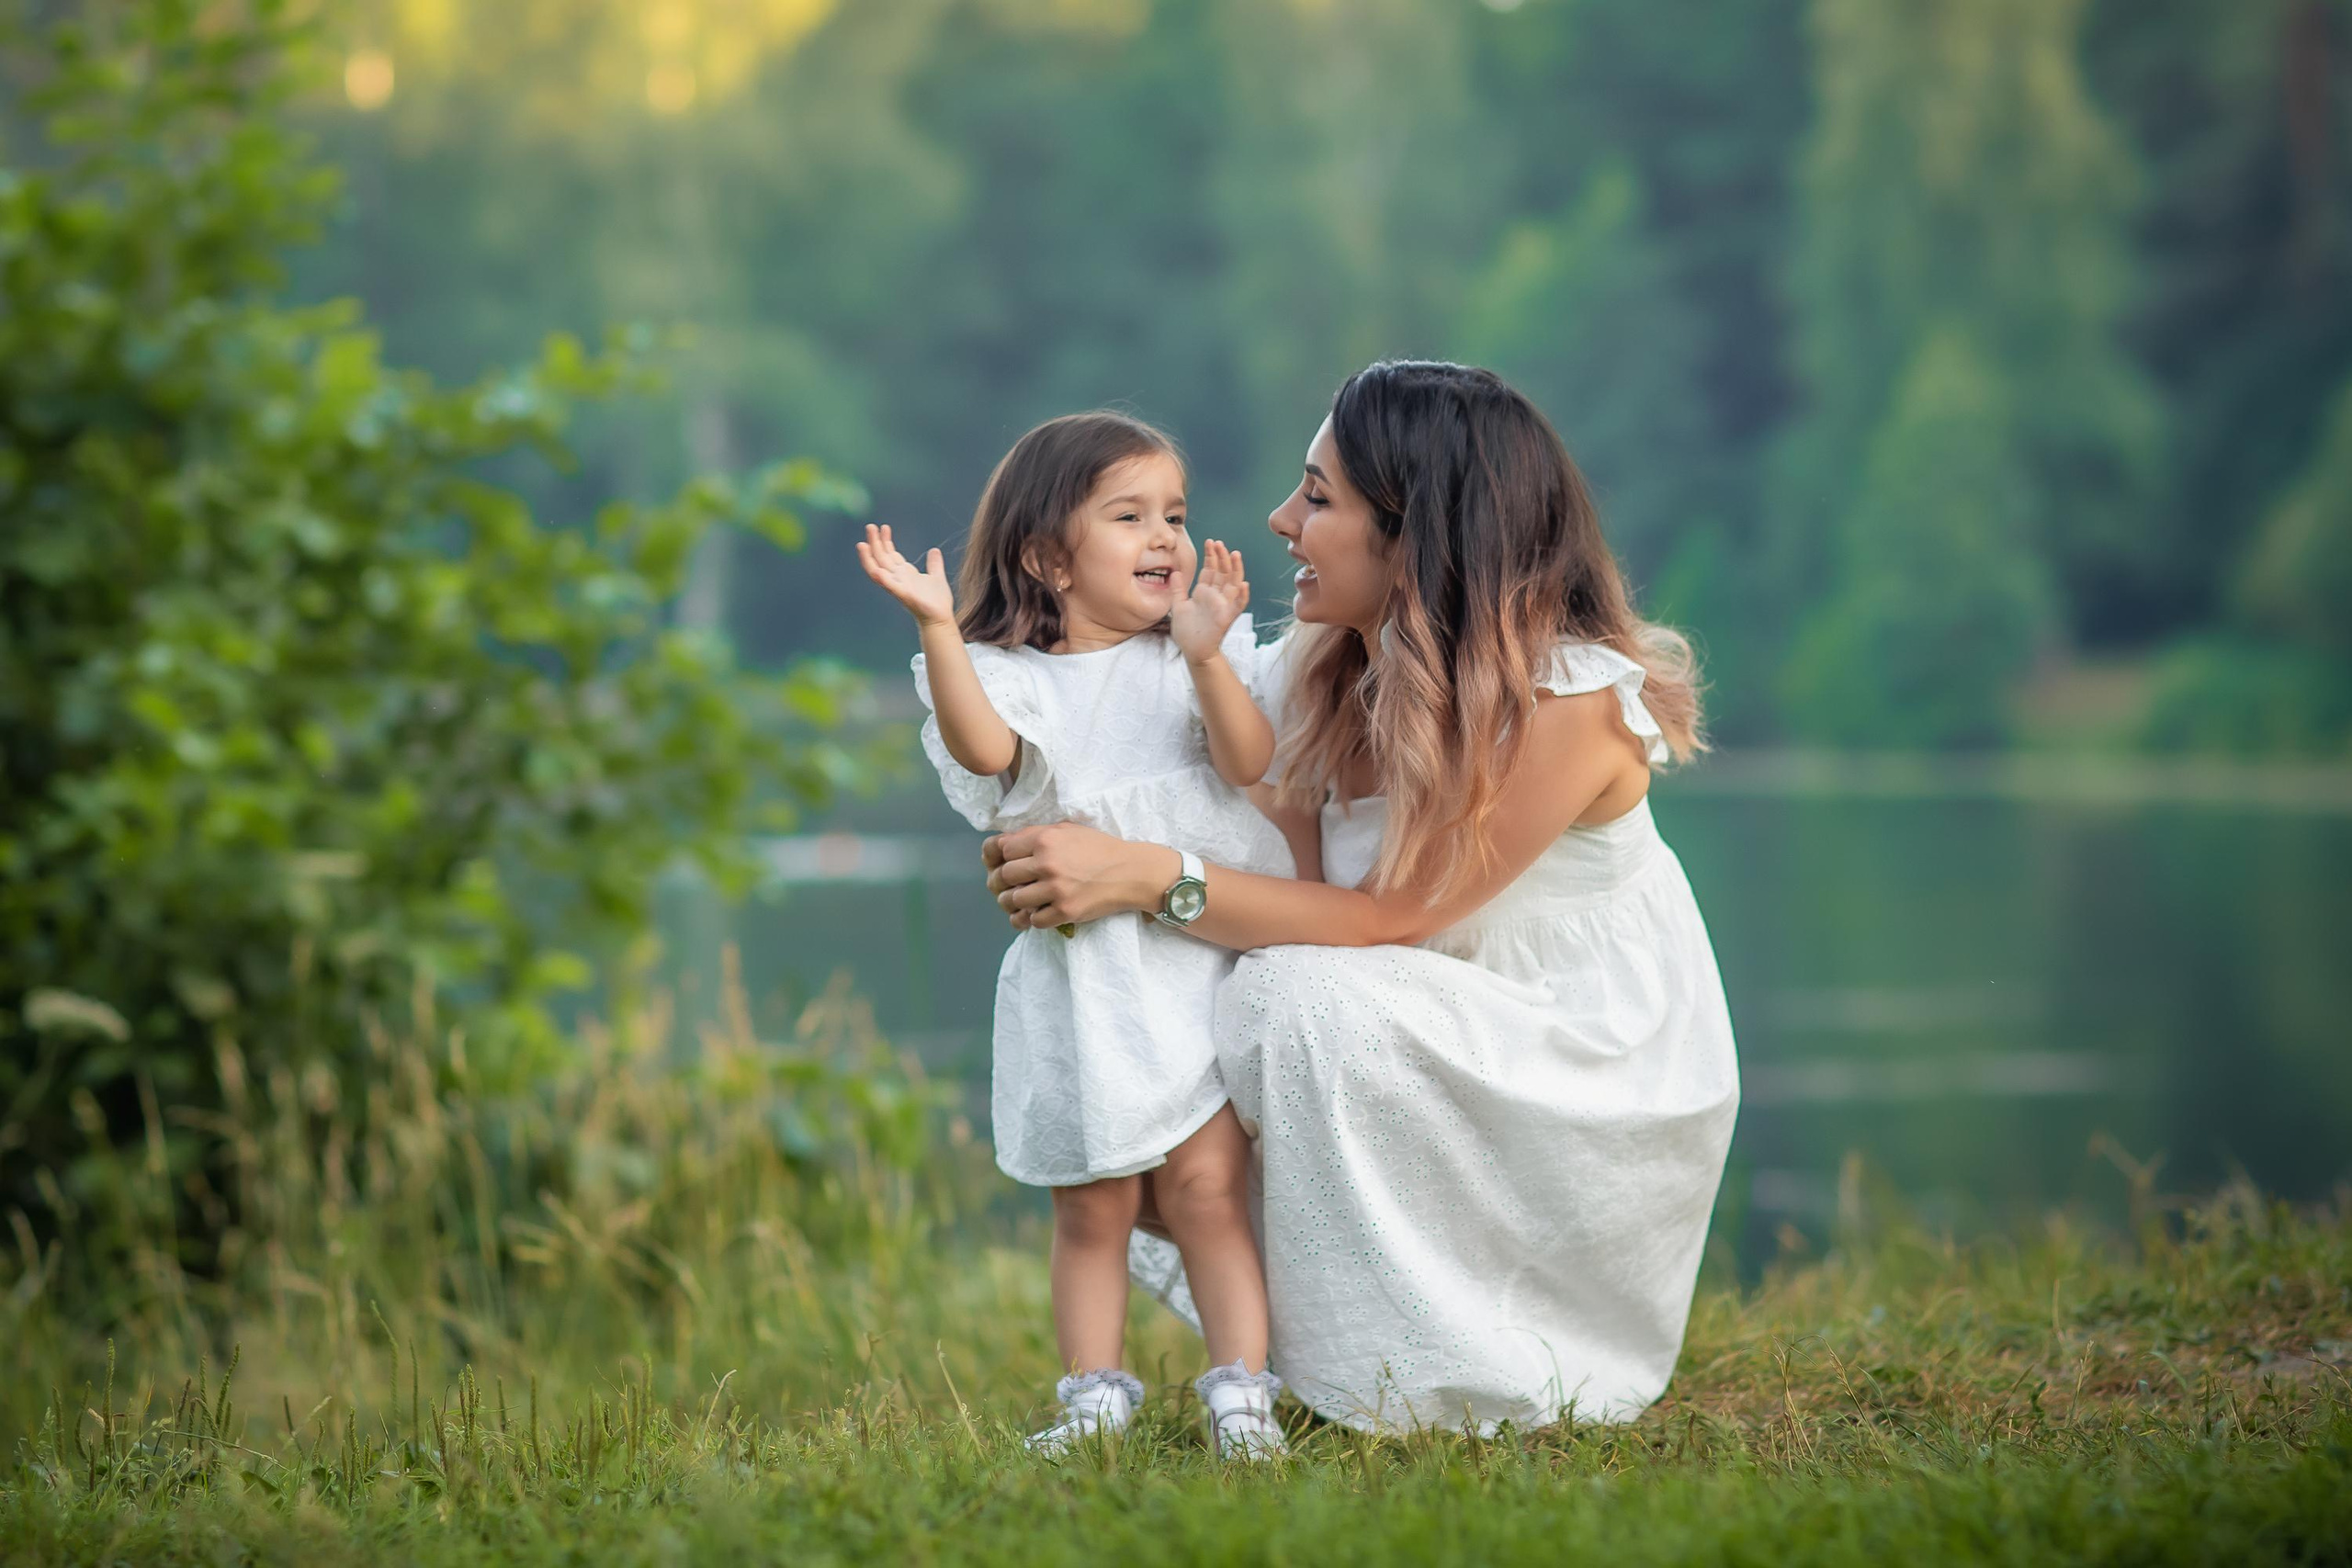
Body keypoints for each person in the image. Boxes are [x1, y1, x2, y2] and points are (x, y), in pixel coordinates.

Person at [984, 363, 1741, 1433]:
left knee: (1288, 998)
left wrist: (1147, 878)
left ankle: (1436, 1367)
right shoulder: (1322, 663)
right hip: (1420, 1022)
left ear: (1416, 532)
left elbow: (1389, 919)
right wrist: (1055, 830)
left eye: (1320, 497)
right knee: (1192, 994)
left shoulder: (1571, 701)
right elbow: (1196, 778)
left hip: (1579, 1060)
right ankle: (1314, 1359)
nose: (1281, 519)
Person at [855, 411, 1292, 1457]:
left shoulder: (1194, 653)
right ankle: (1094, 1395)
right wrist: (935, 629)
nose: (1164, 540)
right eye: (1129, 516)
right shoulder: (1010, 678)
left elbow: (1246, 763)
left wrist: (1206, 661)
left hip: (1194, 969)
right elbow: (986, 747)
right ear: (1048, 557)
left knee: (1206, 1190)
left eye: (1175, 517)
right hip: (1084, 987)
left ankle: (1241, 1390)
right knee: (1092, 1208)